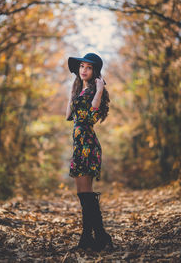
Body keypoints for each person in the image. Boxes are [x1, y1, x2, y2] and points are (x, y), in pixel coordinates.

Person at [66, 53, 113, 252]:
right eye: (81, 66)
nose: (83, 70)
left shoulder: (95, 90)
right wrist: (71, 93)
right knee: (83, 195)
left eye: (89, 67)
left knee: (86, 195)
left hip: (88, 144)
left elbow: (92, 115)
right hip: (78, 145)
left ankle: (93, 238)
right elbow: (69, 115)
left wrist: (100, 90)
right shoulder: (81, 91)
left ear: (95, 72)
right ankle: (97, 237)